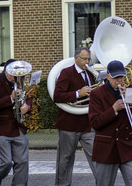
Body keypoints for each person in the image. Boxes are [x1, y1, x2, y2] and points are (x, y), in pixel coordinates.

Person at [88, 60, 132, 186]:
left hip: (128, 146)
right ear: (107, 76)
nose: (120, 81)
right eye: (116, 78)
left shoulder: (131, 91)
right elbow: (95, 122)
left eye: (122, 77)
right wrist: (113, 109)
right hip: (106, 149)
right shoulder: (97, 94)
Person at [53, 47, 96, 186]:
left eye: (88, 59)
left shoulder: (90, 74)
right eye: (84, 59)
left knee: (97, 156)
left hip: (87, 123)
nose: (87, 62)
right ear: (76, 58)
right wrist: (78, 93)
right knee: (65, 159)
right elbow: (57, 96)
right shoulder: (66, 73)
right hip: (68, 124)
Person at [0, 59, 32, 186]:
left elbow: (27, 98)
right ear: (6, 71)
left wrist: (27, 106)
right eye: (14, 74)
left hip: (18, 127)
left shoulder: (19, 81)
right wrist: (11, 98)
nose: (17, 77)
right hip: (2, 128)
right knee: (6, 162)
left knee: (22, 162)